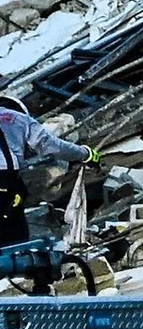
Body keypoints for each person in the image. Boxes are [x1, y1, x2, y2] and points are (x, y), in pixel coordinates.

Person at [0, 94, 96, 248]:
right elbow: (49, 144)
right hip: (6, 183)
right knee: (13, 241)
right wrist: (85, 154)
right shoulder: (14, 118)